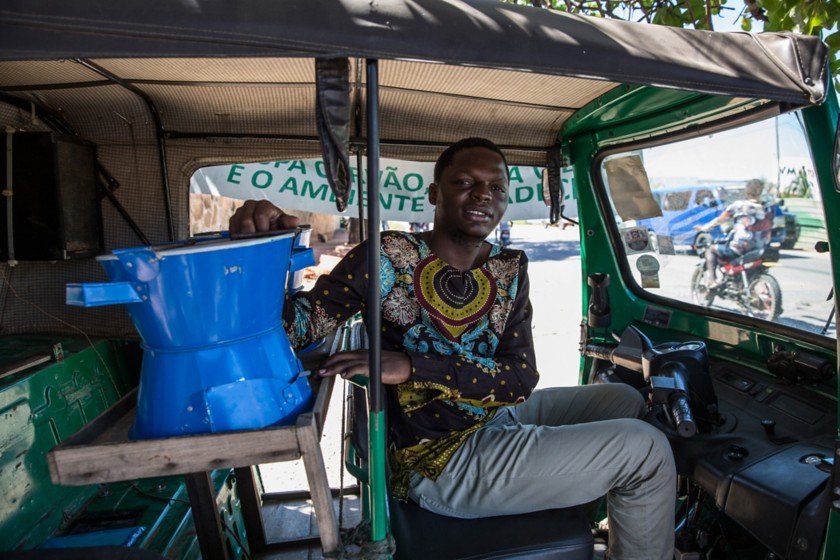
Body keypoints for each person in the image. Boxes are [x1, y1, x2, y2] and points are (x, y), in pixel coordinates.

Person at [230, 137, 676, 560]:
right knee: (648, 451)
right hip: (440, 459)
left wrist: (413, 366)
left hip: (496, 417)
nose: (483, 195)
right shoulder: (386, 257)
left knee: (626, 398)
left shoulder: (508, 271)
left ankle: (604, 513)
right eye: (465, 182)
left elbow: (519, 379)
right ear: (434, 192)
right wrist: (255, 251)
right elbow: (299, 328)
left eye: (496, 187)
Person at [695, 179, 770, 288]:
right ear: (761, 192)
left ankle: (712, 281)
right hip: (760, 248)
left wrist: (704, 228)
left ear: (747, 192)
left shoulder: (739, 206)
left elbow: (720, 220)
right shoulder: (768, 209)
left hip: (740, 248)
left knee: (711, 249)